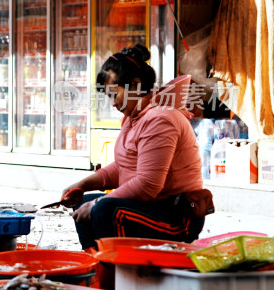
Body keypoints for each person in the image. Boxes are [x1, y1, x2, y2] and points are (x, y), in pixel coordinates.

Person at [60, 44, 206, 250]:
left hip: (177, 217)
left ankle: (118, 273)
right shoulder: (133, 117)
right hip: (152, 206)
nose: (112, 104)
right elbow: (122, 167)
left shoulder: (161, 119)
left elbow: (148, 184)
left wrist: (97, 204)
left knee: (104, 209)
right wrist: (82, 186)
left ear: (136, 85)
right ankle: (97, 267)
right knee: (84, 204)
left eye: (114, 95)